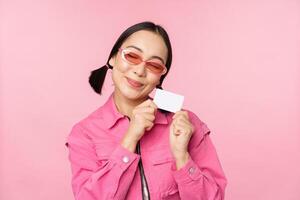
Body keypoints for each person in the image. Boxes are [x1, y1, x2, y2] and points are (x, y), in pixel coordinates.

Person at [65, 21, 227, 200]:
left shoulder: (186, 124)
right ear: (112, 58)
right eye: (132, 56)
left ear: (159, 78)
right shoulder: (84, 133)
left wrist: (182, 157)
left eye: (154, 65)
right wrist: (130, 139)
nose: (140, 71)